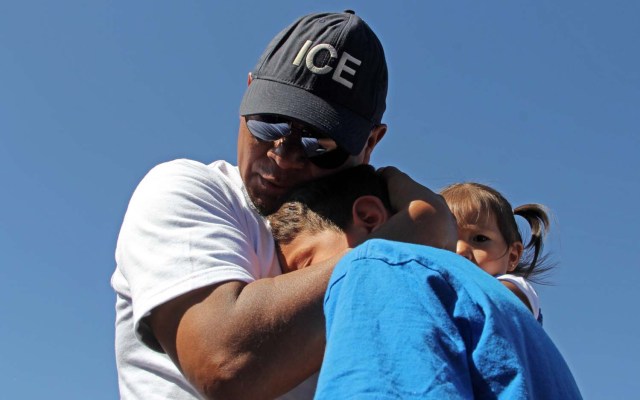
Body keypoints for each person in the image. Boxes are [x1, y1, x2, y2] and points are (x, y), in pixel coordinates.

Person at [112, 11, 456, 400]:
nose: (285, 154)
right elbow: (227, 364)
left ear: (370, 144)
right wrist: (413, 237)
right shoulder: (189, 190)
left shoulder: (378, 229)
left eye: (317, 141)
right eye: (269, 122)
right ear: (247, 92)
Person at [268, 165, 582, 399]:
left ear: (513, 255)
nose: (460, 250)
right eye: (452, 238)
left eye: (309, 264)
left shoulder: (382, 267)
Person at [441, 182, 552, 322]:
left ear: (512, 256)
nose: (460, 251)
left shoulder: (511, 287)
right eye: (448, 238)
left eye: (480, 239)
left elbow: (499, 300)